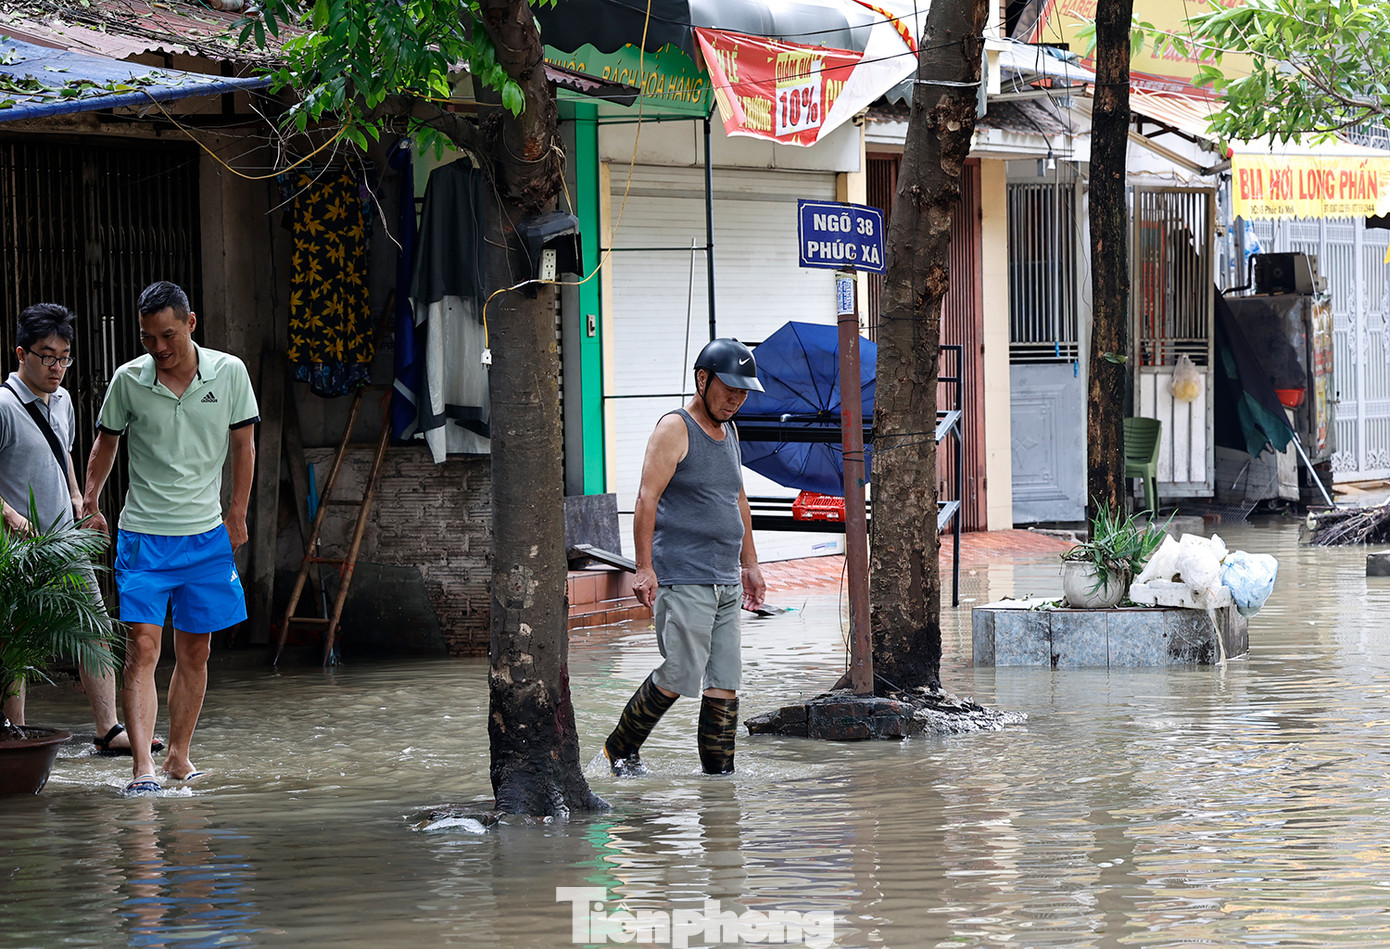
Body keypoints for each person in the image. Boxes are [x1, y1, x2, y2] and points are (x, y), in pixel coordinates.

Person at [82, 281, 259, 795]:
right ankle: (143, 767)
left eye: (168, 336)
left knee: (196, 652)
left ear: (191, 323)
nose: (158, 348)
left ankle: (179, 757)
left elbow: (244, 447)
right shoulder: (128, 381)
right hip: (143, 537)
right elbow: (105, 444)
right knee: (141, 648)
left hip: (206, 537)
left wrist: (238, 514)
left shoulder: (230, 373)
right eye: (147, 338)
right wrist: (91, 502)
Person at [603, 338, 767, 776]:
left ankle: (719, 781)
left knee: (725, 684)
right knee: (679, 673)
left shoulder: (729, 429)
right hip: (684, 576)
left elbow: (737, 497)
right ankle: (619, 749)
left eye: (743, 391)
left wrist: (750, 564)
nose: (736, 399)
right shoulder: (674, 428)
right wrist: (643, 568)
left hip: (726, 581)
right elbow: (646, 499)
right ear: (702, 379)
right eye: (729, 389)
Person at [0, 303, 156, 756]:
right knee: (16, 642)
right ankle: (16, 731)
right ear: (21, 354)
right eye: (47, 356)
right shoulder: (5, 406)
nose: (58, 367)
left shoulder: (64, 400)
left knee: (91, 627)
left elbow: (64, 453)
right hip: (19, 551)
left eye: (65, 357)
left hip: (65, 540)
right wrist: (12, 517)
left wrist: (79, 500)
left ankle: (108, 730)